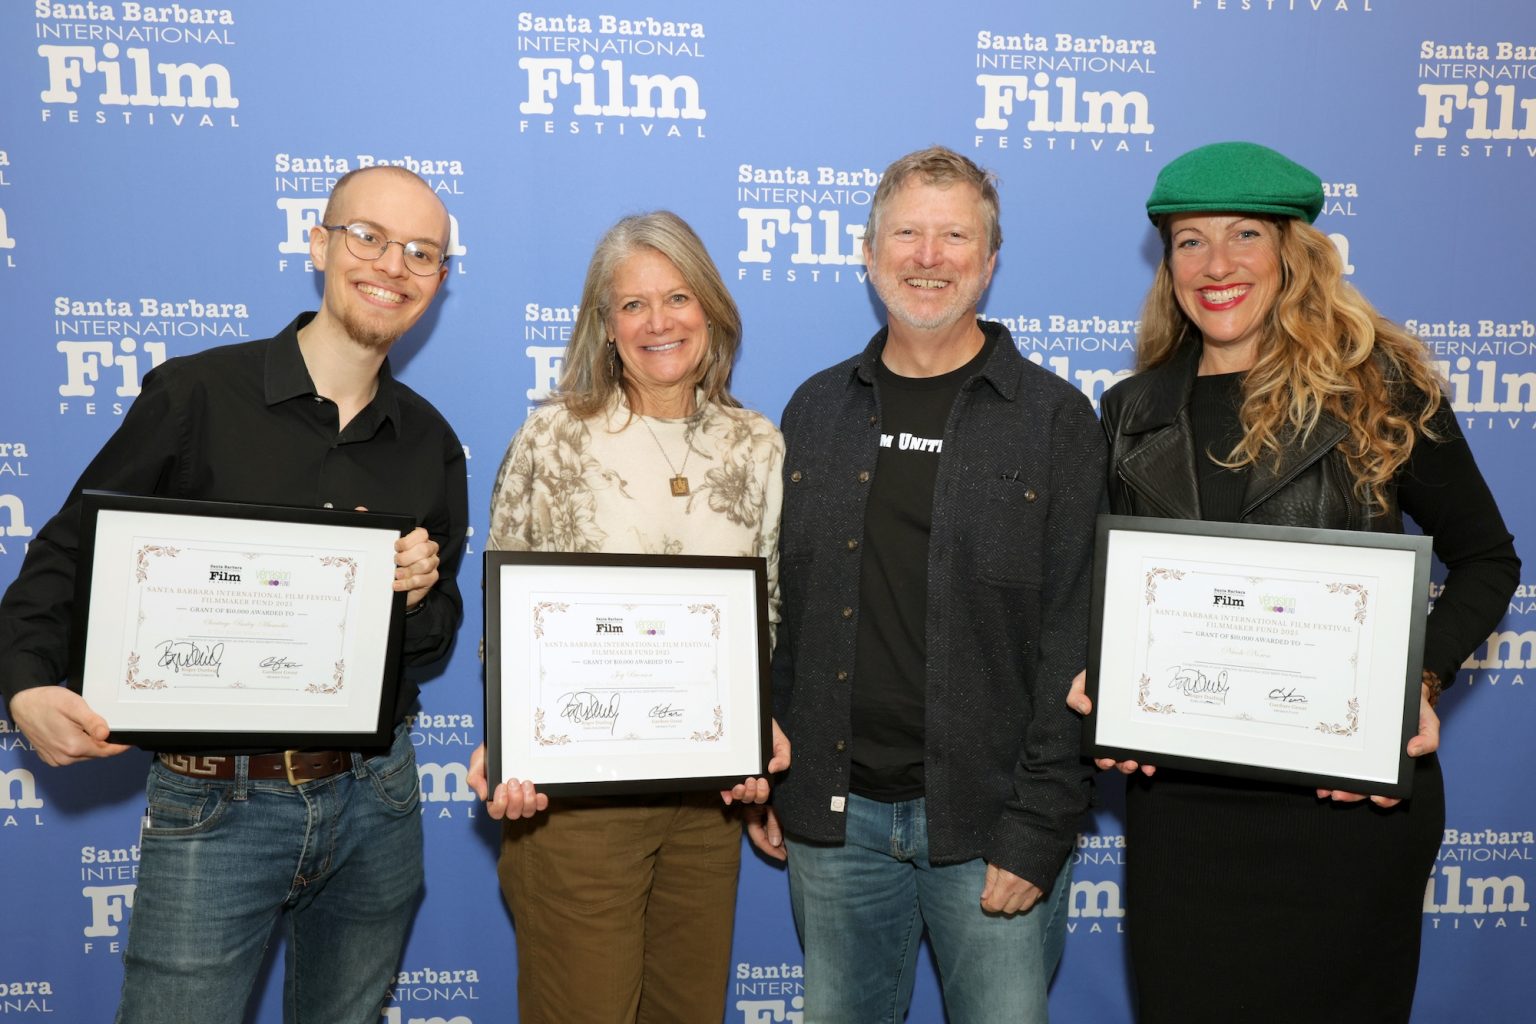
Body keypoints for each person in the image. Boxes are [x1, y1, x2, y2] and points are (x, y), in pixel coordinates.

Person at [0, 165, 467, 1024]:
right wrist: (26, 684)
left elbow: (434, 639)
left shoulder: (431, 442)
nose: (392, 266)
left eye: (422, 253)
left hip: (380, 801)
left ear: (439, 281)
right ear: (318, 243)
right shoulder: (196, 395)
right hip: (217, 805)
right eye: (368, 237)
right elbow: (70, 553)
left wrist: (419, 595)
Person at [1071, 141, 1519, 1023]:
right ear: (1168, 264)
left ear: (1294, 252)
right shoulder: (1130, 411)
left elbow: (1487, 558)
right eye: (1189, 241)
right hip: (1187, 817)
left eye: (1244, 234)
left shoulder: (1379, 389)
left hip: (1345, 809)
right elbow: (1118, 591)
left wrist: (1413, 682)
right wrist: (1104, 680)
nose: (1217, 264)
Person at [755, 145, 1103, 1024]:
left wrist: (1038, 829)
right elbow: (782, 618)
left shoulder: (1056, 421)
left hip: (991, 830)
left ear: (989, 261)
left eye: (955, 236)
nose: (928, 256)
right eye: (906, 233)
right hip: (835, 824)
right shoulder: (815, 411)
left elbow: (1076, 633)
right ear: (869, 256)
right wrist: (759, 773)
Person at [465, 210, 789, 1023]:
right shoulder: (554, 439)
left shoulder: (759, 447)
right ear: (605, 326)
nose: (658, 322)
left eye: (677, 297)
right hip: (575, 805)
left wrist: (762, 729)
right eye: (633, 305)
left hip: (706, 804)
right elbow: (508, 619)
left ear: (710, 309)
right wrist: (508, 738)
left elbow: (775, 612)